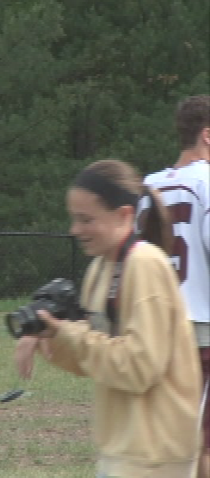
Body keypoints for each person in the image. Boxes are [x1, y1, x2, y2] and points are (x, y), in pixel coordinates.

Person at [14, 159, 202, 477]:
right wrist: (50, 335)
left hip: (154, 453)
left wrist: (68, 335)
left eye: (86, 219)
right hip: (122, 446)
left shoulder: (144, 265)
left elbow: (140, 368)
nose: (75, 230)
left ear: (124, 215)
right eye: (74, 219)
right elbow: (94, 359)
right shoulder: (100, 268)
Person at [141, 94, 210, 477]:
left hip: (158, 325)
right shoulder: (207, 182)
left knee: (177, 437)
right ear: (207, 135)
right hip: (202, 329)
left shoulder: (148, 186)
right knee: (200, 443)